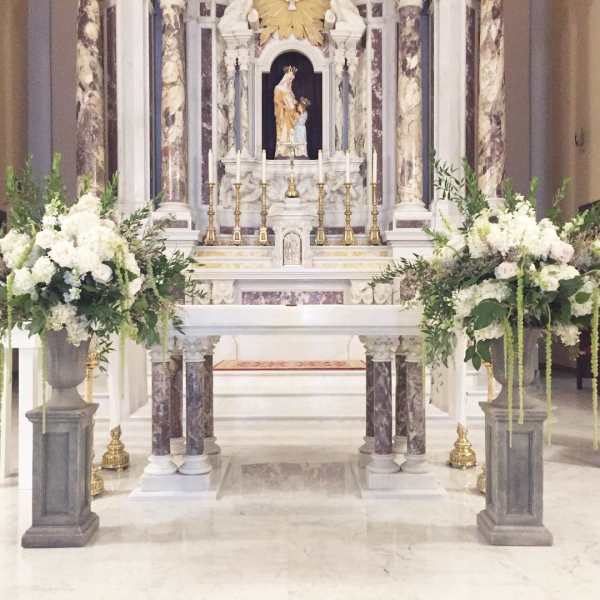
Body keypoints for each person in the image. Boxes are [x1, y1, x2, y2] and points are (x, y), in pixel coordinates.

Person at [274, 66, 299, 157]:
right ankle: (282, 152)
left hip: (292, 115)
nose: (291, 81)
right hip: (284, 115)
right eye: (290, 78)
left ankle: (291, 152)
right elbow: (277, 101)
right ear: (286, 77)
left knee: (292, 133)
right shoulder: (279, 88)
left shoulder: (290, 91)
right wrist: (285, 107)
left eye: (292, 79)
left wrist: (294, 105)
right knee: (284, 132)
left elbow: (293, 102)